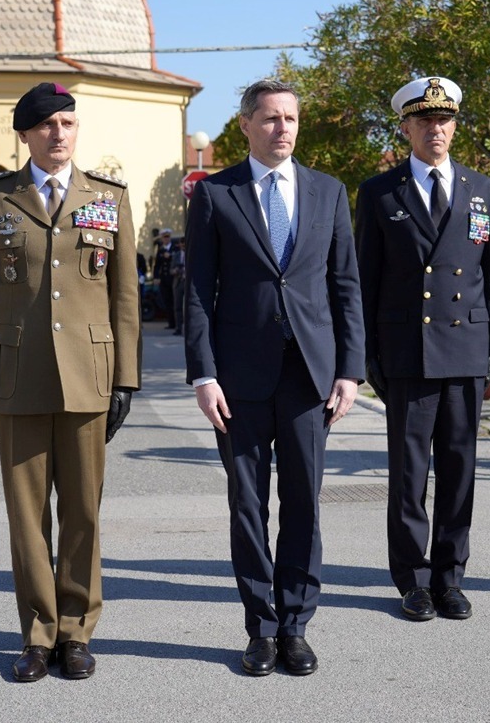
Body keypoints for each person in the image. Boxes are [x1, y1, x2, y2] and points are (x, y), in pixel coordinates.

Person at [0, 82, 141, 682]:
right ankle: (38, 634)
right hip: (17, 378)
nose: (59, 133)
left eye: (67, 122)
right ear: (25, 135)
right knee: (28, 516)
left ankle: (77, 632)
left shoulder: (108, 198)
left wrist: (126, 380)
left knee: (83, 512)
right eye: (46, 125)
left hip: (90, 377)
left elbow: (125, 297)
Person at [184, 78, 364, 677]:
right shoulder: (215, 194)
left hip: (310, 374)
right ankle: (260, 628)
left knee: (304, 501)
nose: (282, 128)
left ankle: (296, 626)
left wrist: (350, 370)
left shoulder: (328, 191)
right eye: (269, 118)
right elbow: (198, 292)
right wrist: (203, 374)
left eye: (290, 118)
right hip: (239, 378)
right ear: (245, 125)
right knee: (248, 504)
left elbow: (345, 285)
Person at [354, 76, 490, 622]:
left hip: (466, 346)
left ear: (454, 127)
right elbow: (365, 280)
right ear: (406, 128)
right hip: (407, 351)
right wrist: (366, 353)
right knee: (409, 474)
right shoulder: (380, 193)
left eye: (444, 120)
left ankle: (450, 577)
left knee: (460, 470)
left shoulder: (483, 189)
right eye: (424, 120)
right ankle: (413, 580)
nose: (435, 128)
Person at [152, 228, 175, 327]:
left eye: (167, 237)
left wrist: (170, 256)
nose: (166, 239)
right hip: (164, 279)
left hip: (173, 278)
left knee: (175, 300)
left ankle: (177, 323)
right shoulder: (161, 249)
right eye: (164, 237)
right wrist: (156, 277)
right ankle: (171, 322)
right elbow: (157, 265)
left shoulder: (174, 248)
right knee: (167, 300)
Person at [170, 234, 186, 335]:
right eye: (182, 244)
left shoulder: (192, 254)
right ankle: (178, 328)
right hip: (178, 283)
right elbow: (171, 270)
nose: (183, 246)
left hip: (188, 282)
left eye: (185, 244)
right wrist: (175, 270)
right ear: (179, 244)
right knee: (177, 306)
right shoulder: (176, 255)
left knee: (189, 307)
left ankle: (189, 327)